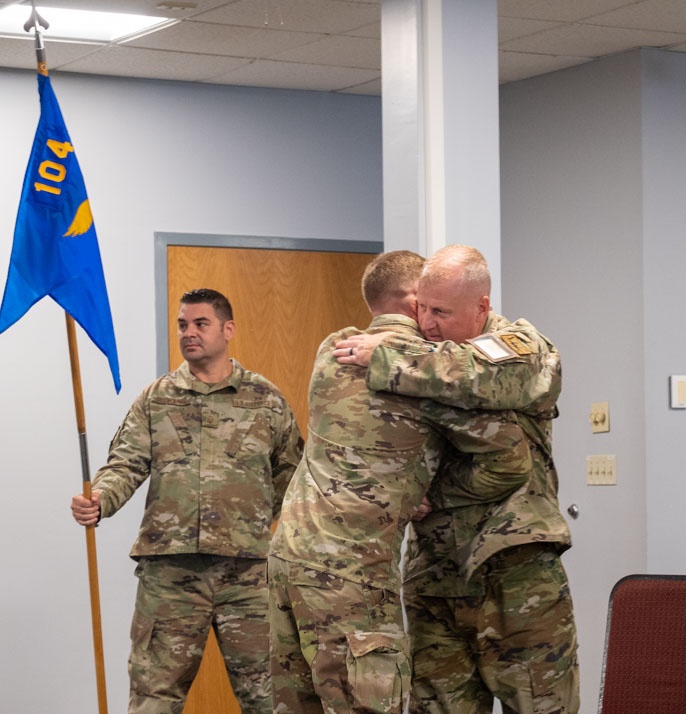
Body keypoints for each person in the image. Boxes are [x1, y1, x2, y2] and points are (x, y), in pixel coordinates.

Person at [268, 249, 533, 714]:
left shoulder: (331, 350)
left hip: (286, 562)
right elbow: (511, 459)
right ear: (416, 303)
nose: (432, 317)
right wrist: (432, 495)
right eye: (428, 304)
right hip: (352, 577)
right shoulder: (421, 369)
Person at [334, 245, 579, 714]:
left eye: (441, 311)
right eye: (422, 307)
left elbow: (481, 375)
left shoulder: (523, 346)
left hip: (513, 568)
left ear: (481, 306)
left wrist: (390, 362)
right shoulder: (422, 351)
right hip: (435, 570)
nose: (427, 322)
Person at [70, 288, 302, 714]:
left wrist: (257, 526)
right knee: (154, 697)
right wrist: (101, 499)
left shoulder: (265, 399)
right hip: (171, 574)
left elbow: (295, 477)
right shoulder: (157, 399)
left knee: (272, 697)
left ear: (227, 330)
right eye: (182, 325)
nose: (189, 333)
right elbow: (125, 464)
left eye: (200, 324)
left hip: (247, 575)